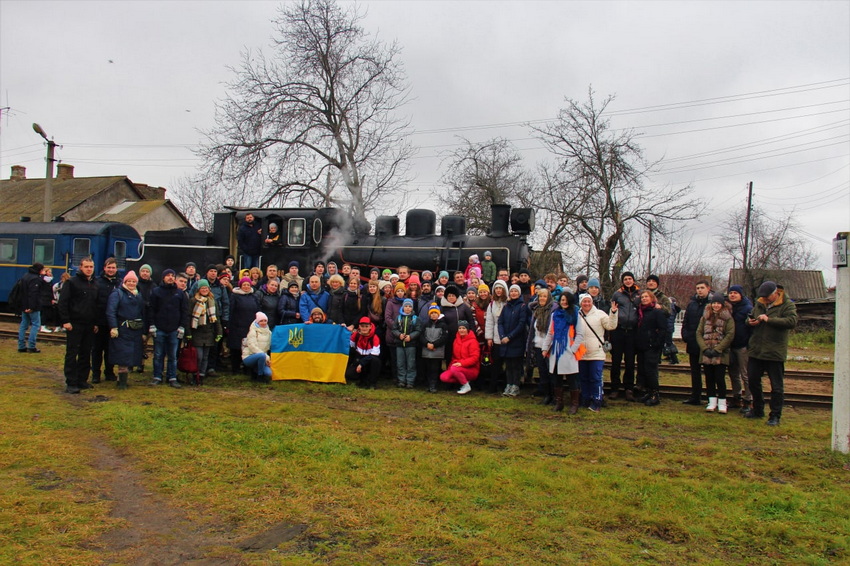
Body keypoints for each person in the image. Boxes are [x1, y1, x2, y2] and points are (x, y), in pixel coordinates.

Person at [744, 281, 798, 426]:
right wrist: (751, 322)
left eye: (768, 297)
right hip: (756, 350)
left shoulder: (787, 304)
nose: (765, 300)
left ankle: (775, 416)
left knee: (777, 387)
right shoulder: (759, 303)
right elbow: (749, 318)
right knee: (753, 381)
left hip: (775, 351)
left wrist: (769, 319)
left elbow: (792, 321)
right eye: (764, 298)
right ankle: (757, 409)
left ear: (775, 293)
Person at [58, 258, 99, 393]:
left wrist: (95, 323)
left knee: (85, 353)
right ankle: (71, 382)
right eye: (86, 266)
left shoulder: (94, 283)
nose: (89, 269)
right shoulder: (72, 282)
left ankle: (82, 380)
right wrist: (65, 321)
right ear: (80, 267)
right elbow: (63, 302)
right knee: (72, 353)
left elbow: (95, 305)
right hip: (74, 324)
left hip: (89, 325)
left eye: (91, 266)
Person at [542, 291, 586, 413]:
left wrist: (573, 349)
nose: (564, 302)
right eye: (562, 300)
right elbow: (550, 333)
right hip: (556, 350)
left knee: (572, 379)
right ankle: (559, 402)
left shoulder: (576, 315)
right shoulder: (555, 315)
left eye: (566, 300)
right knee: (556, 378)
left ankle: (574, 404)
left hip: (568, 351)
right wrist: (545, 348)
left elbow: (580, 334)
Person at [148, 269, 189, 387]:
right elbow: (151, 309)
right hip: (159, 328)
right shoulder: (156, 292)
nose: (170, 277)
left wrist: (182, 326)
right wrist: (152, 325)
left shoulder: (180, 293)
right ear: (163, 278)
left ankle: (172, 377)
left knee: (173, 356)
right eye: (168, 275)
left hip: (174, 330)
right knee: (158, 355)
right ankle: (157, 376)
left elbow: (184, 311)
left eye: (172, 275)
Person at [106, 271, 146, 390]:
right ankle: (121, 382)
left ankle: (123, 379)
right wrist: (113, 327)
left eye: (134, 281)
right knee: (122, 355)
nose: (132, 283)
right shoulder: (117, 294)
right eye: (129, 281)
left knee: (130, 355)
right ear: (125, 282)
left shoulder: (138, 295)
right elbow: (110, 311)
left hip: (135, 330)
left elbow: (142, 313)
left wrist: (143, 330)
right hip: (122, 329)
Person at [578, 293, 618, 412]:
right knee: (583, 378)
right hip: (581, 353)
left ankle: (597, 400)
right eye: (584, 302)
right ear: (580, 303)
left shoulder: (600, 314)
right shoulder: (577, 315)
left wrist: (614, 313)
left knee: (595, 377)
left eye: (588, 301)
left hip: (596, 352)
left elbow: (611, 326)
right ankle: (585, 398)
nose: (587, 304)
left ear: (592, 302)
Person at [697, 293, 735, 414]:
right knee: (709, 378)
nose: (716, 305)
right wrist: (704, 348)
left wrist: (718, 349)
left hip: (720, 353)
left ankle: (722, 402)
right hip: (707, 352)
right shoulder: (705, 317)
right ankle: (711, 401)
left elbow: (730, 335)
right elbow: (699, 333)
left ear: (722, 305)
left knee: (720, 378)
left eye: (718, 303)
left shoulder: (728, 318)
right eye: (714, 303)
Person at [609, 272, 640, 400]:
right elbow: (612, 310)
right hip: (618, 331)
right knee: (615, 362)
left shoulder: (639, 294)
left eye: (630, 279)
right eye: (625, 279)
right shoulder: (617, 294)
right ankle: (615, 388)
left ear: (633, 280)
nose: (628, 281)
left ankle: (629, 389)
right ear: (622, 281)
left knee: (630, 363)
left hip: (632, 332)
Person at [681, 280, 713, 405]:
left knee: (709, 372)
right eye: (698, 288)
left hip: (707, 344)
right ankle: (695, 396)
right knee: (695, 372)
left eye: (702, 288)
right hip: (693, 342)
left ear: (708, 289)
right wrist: (686, 335)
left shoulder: (712, 304)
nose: (699, 290)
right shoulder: (692, 304)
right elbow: (686, 321)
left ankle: (711, 398)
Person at [186, 279, 223, 384]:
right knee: (199, 356)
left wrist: (219, 332)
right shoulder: (193, 301)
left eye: (206, 288)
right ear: (198, 289)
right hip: (197, 332)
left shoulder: (212, 301)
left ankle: (201, 376)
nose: (204, 290)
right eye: (202, 288)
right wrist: (188, 333)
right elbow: (189, 317)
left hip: (209, 332)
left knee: (206, 356)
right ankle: (195, 374)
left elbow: (216, 318)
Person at [636, 290, 667, 407]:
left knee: (651, 371)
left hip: (652, 346)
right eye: (642, 297)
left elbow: (663, 329)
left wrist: (656, 343)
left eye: (646, 297)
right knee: (643, 370)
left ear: (652, 298)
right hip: (641, 346)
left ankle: (655, 394)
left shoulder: (657, 312)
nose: (644, 299)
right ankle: (648, 392)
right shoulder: (640, 312)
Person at [91, 257, 120, 383]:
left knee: (110, 350)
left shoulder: (119, 283)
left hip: (113, 323)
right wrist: (94, 322)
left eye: (113, 267)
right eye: (109, 267)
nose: (111, 270)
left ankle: (109, 372)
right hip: (99, 321)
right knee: (97, 350)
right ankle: (95, 374)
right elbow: (92, 303)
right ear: (104, 268)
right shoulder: (96, 282)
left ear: (116, 269)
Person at [498, 284, 530, 397]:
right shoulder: (506, 306)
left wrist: (510, 336)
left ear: (519, 293)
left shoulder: (522, 306)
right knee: (508, 365)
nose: (513, 293)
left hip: (516, 341)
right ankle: (509, 384)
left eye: (516, 291)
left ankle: (515, 385)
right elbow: (500, 322)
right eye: (512, 291)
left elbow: (521, 324)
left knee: (516, 365)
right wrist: (502, 335)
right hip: (505, 340)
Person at [727, 285, 753, 412]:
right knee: (733, 374)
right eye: (731, 293)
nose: (732, 295)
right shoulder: (729, 308)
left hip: (743, 346)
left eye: (735, 293)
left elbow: (752, 327)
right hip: (731, 345)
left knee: (745, 374)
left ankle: (748, 400)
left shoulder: (748, 308)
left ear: (741, 294)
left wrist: (749, 344)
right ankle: (736, 397)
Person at [228, 277, 260, 374]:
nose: (246, 287)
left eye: (248, 285)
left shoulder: (254, 296)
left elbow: (258, 310)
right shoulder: (234, 296)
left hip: (250, 326)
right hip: (237, 325)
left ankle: (247, 369)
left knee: (249, 347)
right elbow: (231, 310)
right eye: (244, 285)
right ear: (240, 286)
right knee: (236, 348)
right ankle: (235, 369)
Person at [439, 320, 480, 394]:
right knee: (444, 377)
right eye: (460, 328)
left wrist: (461, 364)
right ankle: (463, 381)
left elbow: (474, 358)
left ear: (467, 329)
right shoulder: (456, 340)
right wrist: (450, 368)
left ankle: (466, 385)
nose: (461, 330)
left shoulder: (473, 341)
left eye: (464, 328)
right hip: (457, 367)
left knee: (455, 369)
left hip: (471, 369)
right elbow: (454, 357)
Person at [530, 287, 555, 405]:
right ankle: (546, 395)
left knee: (552, 372)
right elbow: (532, 330)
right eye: (540, 296)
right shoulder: (536, 311)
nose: (542, 298)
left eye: (544, 296)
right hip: (538, 345)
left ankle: (554, 396)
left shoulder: (553, 311)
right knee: (542, 371)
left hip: (549, 346)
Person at [484, 280, 509, 394]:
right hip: (495, 337)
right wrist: (489, 337)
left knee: (507, 364)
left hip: (507, 337)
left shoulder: (508, 303)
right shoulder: (491, 304)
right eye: (496, 289)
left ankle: (506, 385)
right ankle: (492, 386)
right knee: (496, 363)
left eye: (501, 288)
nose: (499, 291)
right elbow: (489, 321)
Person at [17, 262, 46, 353]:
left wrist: (24, 306)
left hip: (23, 305)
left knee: (23, 325)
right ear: (40, 270)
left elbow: (22, 292)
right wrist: (32, 307)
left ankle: (21, 346)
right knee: (35, 325)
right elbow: (33, 294)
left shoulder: (25, 276)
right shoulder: (36, 279)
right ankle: (31, 346)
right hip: (33, 306)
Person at [392, 298, 420, 388]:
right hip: (399, 344)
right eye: (406, 306)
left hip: (411, 345)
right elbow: (394, 329)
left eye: (409, 306)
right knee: (400, 363)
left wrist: (411, 336)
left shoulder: (415, 318)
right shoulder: (398, 318)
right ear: (403, 307)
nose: (408, 308)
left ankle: (410, 381)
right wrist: (399, 335)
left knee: (411, 363)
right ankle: (401, 380)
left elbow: (418, 330)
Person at [346, 317, 381, 389]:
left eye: (366, 326)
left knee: (375, 361)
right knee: (349, 374)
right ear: (359, 327)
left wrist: (361, 364)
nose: (364, 328)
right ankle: (362, 380)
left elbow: (375, 353)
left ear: (370, 326)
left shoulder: (375, 337)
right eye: (362, 326)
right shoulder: (356, 335)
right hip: (359, 357)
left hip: (370, 359)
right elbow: (348, 345)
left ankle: (372, 383)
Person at [421, 303, 448, 393]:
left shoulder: (443, 325)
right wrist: (427, 344)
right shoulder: (425, 324)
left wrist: (435, 344)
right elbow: (421, 336)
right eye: (432, 313)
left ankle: (434, 385)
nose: (433, 315)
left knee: (435, 369)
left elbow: (444, 337)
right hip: (426, 350)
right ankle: (428, 384)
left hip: (437, 351)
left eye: (435, 313)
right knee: (427, 368)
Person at [242, 312, 273, 382]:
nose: (263, 323)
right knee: (261, 356)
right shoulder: (253, 332)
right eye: (261, 321)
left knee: (268, 373)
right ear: (257, 322)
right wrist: (266, 356)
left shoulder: (269, 333)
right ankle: (260, 377)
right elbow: (252, 347)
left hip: (262, 357)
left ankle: (255, 372)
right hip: (249, 356)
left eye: (265, 321)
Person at [39, 267, 58, 333]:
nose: (51, 273)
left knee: (45, 313)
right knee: (44, 313)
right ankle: (42, 326)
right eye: (49, 272)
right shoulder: (44, 279)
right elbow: (48, 291)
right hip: (45, 299)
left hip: (46, 299)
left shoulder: (48, 280)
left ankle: (43, 326)